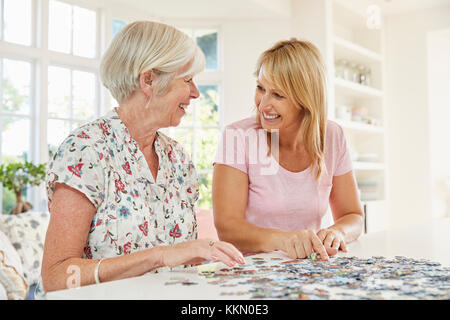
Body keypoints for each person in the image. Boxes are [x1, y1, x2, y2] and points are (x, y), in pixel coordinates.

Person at [37, 21, 244, 297]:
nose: (195, 92)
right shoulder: (86, 151)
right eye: (187, 80)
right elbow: (56, 277)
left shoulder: (179, 160)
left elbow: (178, 265)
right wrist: (159, 256)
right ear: (148, 80)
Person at [212, 39, 364, 261]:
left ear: (306, 100)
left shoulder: (331, 136)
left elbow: (353, 216)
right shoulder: (238, 137)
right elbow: (228, 228)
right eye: (260, 88)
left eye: (278, 95)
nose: (263, 104)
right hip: (252, 272)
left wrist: (337, 231)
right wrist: (284, 240)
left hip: (308, 270)